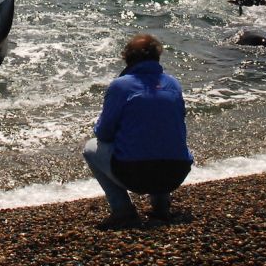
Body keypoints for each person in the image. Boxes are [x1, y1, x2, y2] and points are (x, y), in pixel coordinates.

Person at [83, 34, 194, 229]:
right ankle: (161, 207)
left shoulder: (121, 86)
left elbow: (104, 133)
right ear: (156, 58)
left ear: (127, 58)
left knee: (90, 148)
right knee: (160, 137)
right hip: (176, 173)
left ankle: (123, 210)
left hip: (135, 175)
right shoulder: (173, 84)